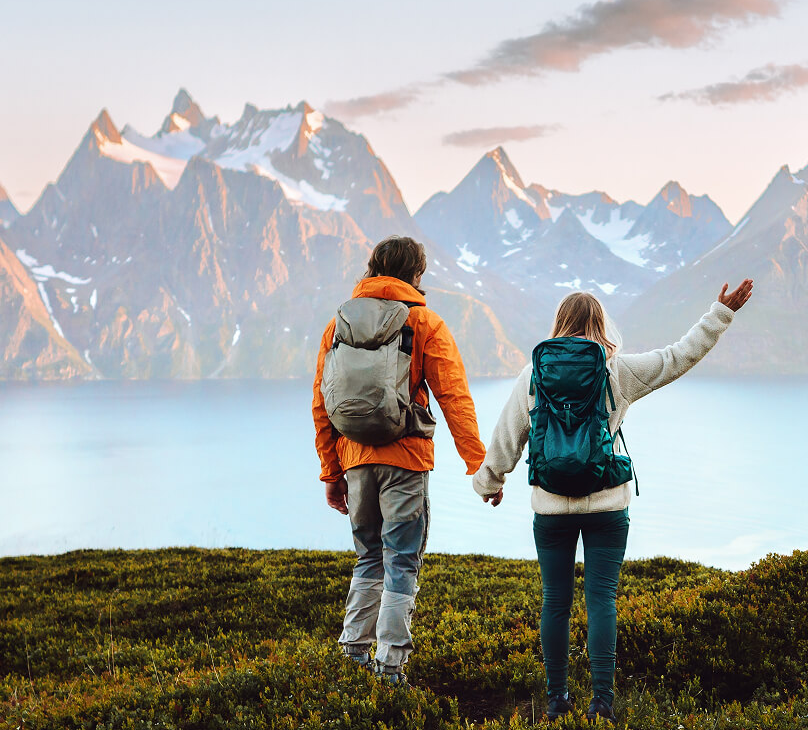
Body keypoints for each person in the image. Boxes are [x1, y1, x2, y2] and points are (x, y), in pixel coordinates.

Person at [473, 280, 753, 722]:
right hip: (607, 507)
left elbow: (507, 436)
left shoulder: (533, 374)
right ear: (600, 325)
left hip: (551, 508)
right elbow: (678, 357)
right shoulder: (616, 371)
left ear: (559, 324)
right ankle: (601, 702)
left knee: (555, 602)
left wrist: (490, 483)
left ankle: (556, 700)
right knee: (601, 599)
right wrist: (721, 313)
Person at [313, 235, 486, 684]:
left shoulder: (339, 325)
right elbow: (454, 397)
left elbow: (322, 403)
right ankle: (390, 667)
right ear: (416, 274)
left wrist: (332, 472)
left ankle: (352, 653)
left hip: (355, 460)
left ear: (372, 268)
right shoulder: (424, 321)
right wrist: (478, 464)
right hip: (406, 460)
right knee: (402, 561)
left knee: (368, 557)